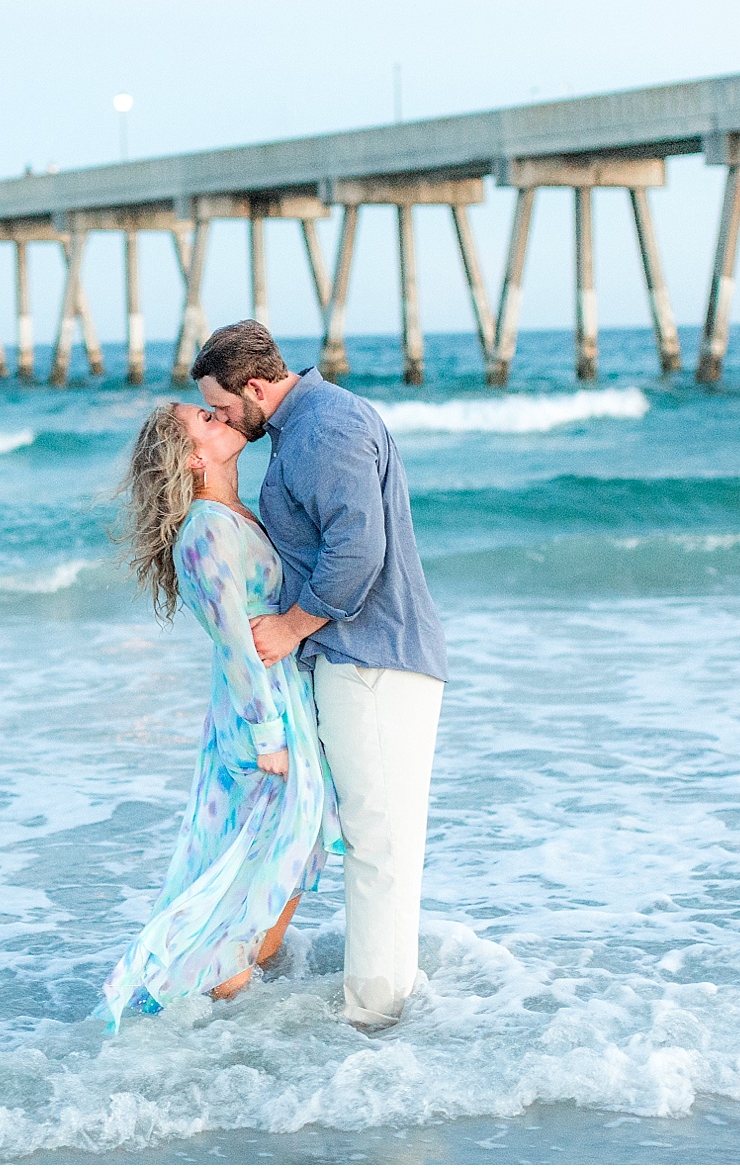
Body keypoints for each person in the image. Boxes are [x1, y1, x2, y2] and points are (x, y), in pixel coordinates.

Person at [191, 319, 446, 1030]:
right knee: (376, 841)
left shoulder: (323, 429)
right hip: (363, 658)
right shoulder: (305, 427)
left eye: (221, 406)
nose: (220, 420)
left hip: (374, 658)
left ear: (255, 387)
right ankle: (387, 1009)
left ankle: (378, 1019)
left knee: (378, 846)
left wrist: (293, 625)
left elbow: (357, 550)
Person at [94, 401, 343, 1032]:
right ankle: (216, 1019)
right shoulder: (205, 529)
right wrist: (268, 735)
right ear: (193, 459)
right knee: (255, 866)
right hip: (257, 716)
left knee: (288, 853)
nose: (217, 414)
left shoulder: (237, 514)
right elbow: (234, 640)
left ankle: (230, 1017)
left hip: (281, 701)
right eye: (203, 419)